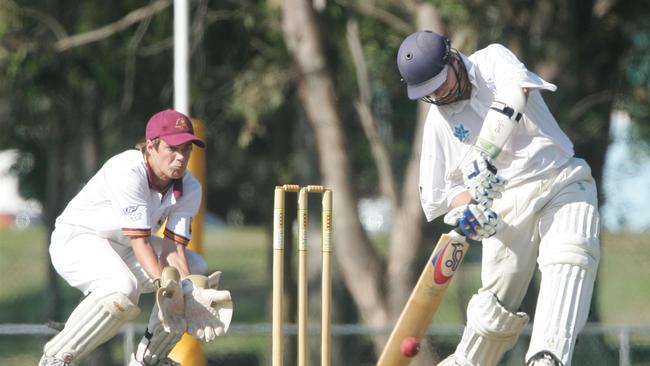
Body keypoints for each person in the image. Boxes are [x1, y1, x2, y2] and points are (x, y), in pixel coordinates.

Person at [396, 31, 600, 366]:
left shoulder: (491, 60)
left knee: (571, 253)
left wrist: (483, 153)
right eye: (428, 91)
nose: (438, 93)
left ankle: (547, 358)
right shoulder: (438, 123)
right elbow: (438, 198)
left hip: (560, 178)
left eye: (439, 81)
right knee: (494, 312)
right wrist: (471, 211)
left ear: (452, 58)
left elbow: (514, 92)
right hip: (505, 210)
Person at [39, 109, 233, 366]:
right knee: (124, 287)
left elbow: (174, 250)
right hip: (77, 240)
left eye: (187, 149)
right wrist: (166, 289)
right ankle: (57, 358)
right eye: (173, 148)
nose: (180, 157)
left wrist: (191, 291)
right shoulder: (127, 169)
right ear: (151, 146)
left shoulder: (190, 187)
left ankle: (149, 358)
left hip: (124, 247)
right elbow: (140, 242)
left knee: (195, 270)